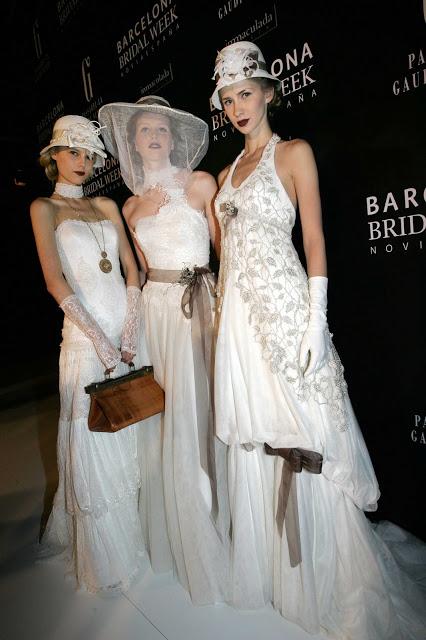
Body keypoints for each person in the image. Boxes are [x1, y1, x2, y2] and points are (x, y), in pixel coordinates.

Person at [211, 41, 426, 638]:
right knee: (260, 437)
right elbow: (229, 257)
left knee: (307, 432)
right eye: (227, 100)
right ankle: (281, 569)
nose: (237, 108)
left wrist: (314, 321)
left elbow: (313, 240)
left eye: (245, 94)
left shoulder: (294, 153)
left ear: (268, 92)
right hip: (241, 326)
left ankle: (329, 573)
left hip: (288, 315)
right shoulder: (225, 175)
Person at [98, 96, 230, 605]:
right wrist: (130, 333)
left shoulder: (200, 184)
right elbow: (137, 273)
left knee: (203, 411)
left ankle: (217, 513)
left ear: (174, 138)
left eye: (162, 130)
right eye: (145, 130)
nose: (154, 137)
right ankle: (180, 527)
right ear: (132, 142)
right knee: (167, 418)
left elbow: (224, 251)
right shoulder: (130, 207)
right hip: (156, 311)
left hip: (197, 306)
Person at [30, 115, 145, 593]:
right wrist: (99, 339)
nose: (82, 162)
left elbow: (131, 269)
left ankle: (137, 532)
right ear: (53, 156)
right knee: (93, 434)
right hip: (84, 336)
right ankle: (105, 554)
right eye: (72, 152)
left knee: (133, 426)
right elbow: (54, 281)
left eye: (89, 154)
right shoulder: (44, 207)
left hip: (128, 333)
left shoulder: (105, 204)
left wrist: (130, 327)